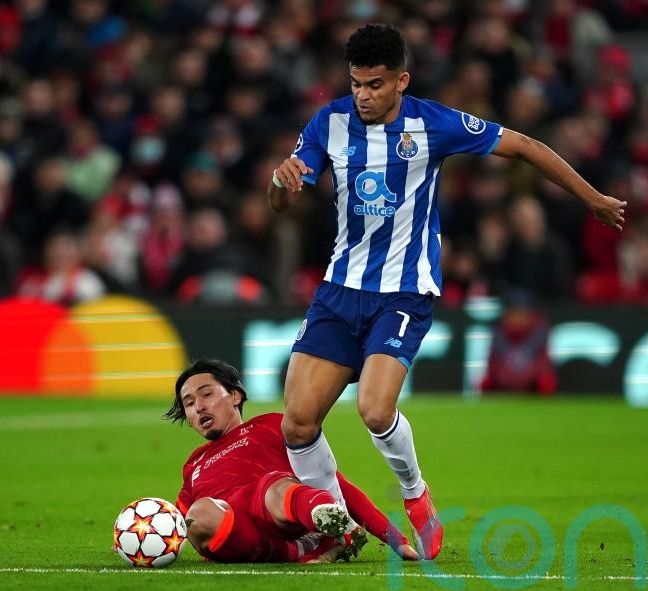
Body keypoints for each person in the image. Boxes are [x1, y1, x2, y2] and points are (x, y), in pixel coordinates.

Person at [267, 23, 627, 560]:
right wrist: (280, 183)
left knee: (373, 409)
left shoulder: (433, 123)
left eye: (375, 84)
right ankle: (333, 524)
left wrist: (593, 197)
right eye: (356, 83)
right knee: (297, 423)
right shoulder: (329, 122)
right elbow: (284, 202)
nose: (362, 95)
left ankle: (416, 498)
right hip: (339, 291)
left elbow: (525, 147)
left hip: (404, 292)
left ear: (401, 81)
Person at [166, 358, 419, 564]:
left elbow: (336, 483)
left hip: (275, 510)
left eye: (206, 394)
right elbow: (178, 526)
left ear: (235, 396)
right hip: (236, 529)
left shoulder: (272, 425)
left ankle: (334, 523)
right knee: (199, 515)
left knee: (275, 486)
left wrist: (395, 540)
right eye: (189, 403)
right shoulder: (193, 464)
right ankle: (303, 549)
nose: (198, 406)